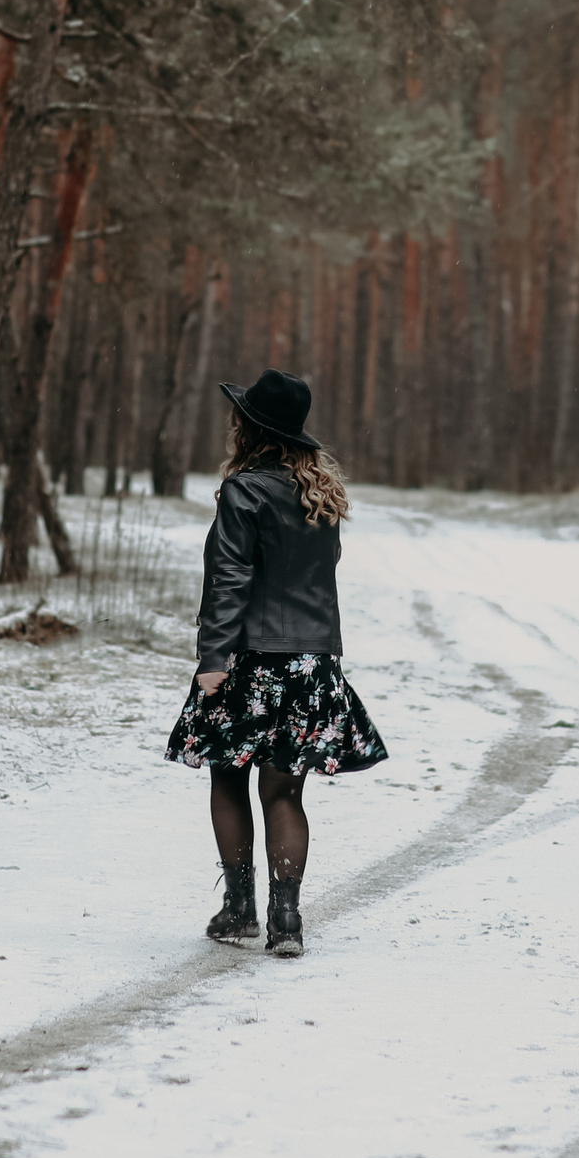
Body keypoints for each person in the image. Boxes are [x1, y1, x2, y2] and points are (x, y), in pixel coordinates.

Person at [164, 367, 387, 957]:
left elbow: (229, 579)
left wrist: (213, 657)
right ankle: (286, 921)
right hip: (312, 662)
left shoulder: (244, 491)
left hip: (250, 659)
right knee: (285, 793)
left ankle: (240, 911)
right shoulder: (321, 496)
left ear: (251, 429)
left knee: (228, 775)